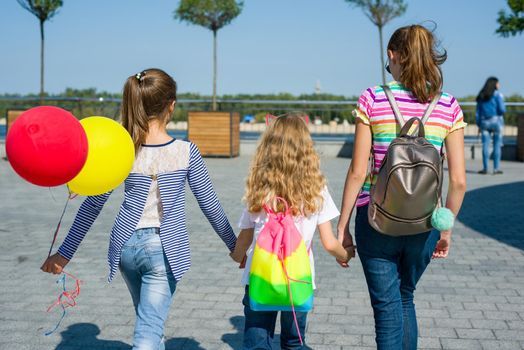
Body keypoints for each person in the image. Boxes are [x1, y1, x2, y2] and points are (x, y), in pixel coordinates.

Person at [41, 68, 237, 350]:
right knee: (147, 332)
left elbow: (93, 204)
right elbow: (211, 206)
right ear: (172, 105)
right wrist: (235, 246)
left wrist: (64, 253)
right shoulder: (185, 151)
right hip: (164, 250)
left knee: (149, 322)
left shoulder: (122, 150)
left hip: (125, 249)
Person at [336, 25, 467, 350]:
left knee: (387, 308)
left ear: (393, 55)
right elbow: (460, 181)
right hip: (425, 223)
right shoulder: (448, 105)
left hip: (375, 219)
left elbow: (357, 171)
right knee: (405, 298)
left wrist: (342, 227)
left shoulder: (373, 98)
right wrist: (445, 230)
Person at [230, 113, 355, 350]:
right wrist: (345, 254)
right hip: (297, 279)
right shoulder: (316, 189)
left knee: (257, 341)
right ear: (306, 149)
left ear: (268, 147)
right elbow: (329, 243)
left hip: (259, 277)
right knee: (294, 342)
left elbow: (245, 239)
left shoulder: (259, 188)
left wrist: (238, 257)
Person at [476, 77, 506, 174]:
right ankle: (496, 169)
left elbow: (478, 113)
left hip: (484, 123)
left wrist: (479, 124)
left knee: (485, 145)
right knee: (497, 145)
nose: (499, 85)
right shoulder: (498, 95)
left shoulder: (481, 95)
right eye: (498, 83)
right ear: (494, 84)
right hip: (496, 122)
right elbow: (502, 110)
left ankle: (485, 169)